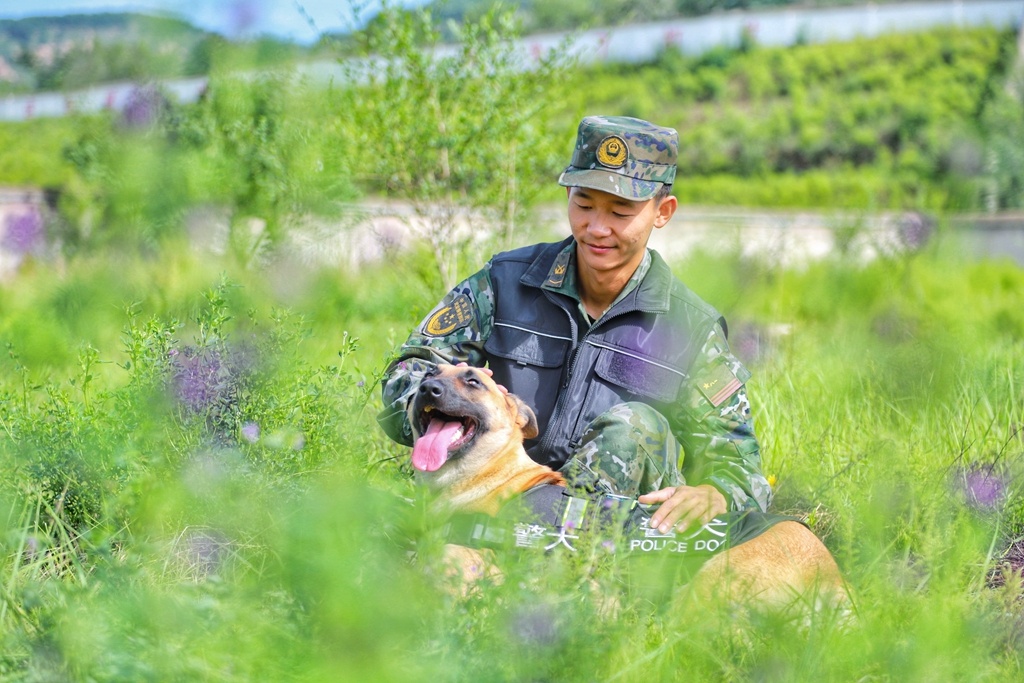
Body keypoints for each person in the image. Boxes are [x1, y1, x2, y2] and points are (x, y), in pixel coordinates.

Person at [378, 115, 772, 535]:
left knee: (635, 425)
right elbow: (408, 373)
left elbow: (739, 465)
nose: (597, 228)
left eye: (621, 211)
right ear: (567, 194)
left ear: (663, 212)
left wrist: (716, 492)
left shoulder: (691, 328)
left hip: (615, 535)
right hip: (489, 499)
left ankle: (570, 563)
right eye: (583, 204)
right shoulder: (504, 282)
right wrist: (459, 398)